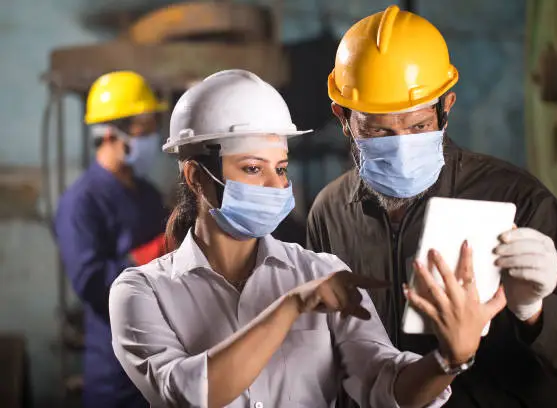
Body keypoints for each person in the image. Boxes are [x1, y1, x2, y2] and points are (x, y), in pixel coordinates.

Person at [107, 69, 507, 408]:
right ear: (196, 177)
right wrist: (291, 307)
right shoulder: (142, 292)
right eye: (251, 168)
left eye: (280, 168)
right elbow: (189, 393)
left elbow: (387, 385)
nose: (276, 185)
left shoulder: (321, 273)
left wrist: (449, 358)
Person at [306, 5, 557, 408]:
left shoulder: (515, 199)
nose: (400, 144)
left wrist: (536, 311)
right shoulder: (330, 212)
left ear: (445, 107)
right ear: (343, 118)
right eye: (378, 130)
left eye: (417, 127)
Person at [54, 71, 169, 408]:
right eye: (142, 127)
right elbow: (91, 283)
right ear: (110, 132)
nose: (151, 136)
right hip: (115, 372)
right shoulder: (81, 201)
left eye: (152, 125)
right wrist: (151, 253)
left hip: (163, 359)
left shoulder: (146, 193)